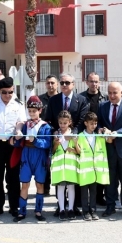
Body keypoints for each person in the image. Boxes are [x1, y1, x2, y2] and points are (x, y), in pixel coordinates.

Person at [45, 73, 89, 216]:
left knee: (71, 177)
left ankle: (73, 207)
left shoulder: (81, 100)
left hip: (74, 141)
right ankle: (61, 207)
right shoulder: (53, 100)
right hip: (59, 141)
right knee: (60, 178)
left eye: (67, 83)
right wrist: (57, 131)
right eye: (62, 82)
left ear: (73, 84)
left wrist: (73, 133)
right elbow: (49, 120)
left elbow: (83, 120)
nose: (64, 85)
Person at [0, 77, 27, 218]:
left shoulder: (18, 104)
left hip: (12, 144)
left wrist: (19, 130)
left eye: (10, 92)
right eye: (4, 92)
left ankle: (14, 207)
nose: (8, 95)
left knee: (13, 177)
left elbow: (20, 121)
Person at [98, 82, 122, 218]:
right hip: (108, 148)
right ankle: (110, 205)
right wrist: (102, 130)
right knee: (110, 179)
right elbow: (99, 124)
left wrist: (116, 133)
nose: (112, 96)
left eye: (115, 93)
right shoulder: (103, 106)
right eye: (110, 92)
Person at [12, 95, 52, 222]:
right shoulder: (25, 125)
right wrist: (15, 140)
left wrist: (35, 141)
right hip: (26, 155)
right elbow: (19, 142)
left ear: (40, 111)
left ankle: (38, 211)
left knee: (40, 184)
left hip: (39, 156)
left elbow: (47, 144)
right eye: (29, 111)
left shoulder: (46, 126)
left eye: (34, 111)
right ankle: (21, 211)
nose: (32, 113)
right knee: (24, 184)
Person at [79, 72, 108, 206]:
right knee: (84, 167)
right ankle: (82, 198)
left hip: (99, 136)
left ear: (99, 82)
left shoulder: (105, 98)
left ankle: (99, 197)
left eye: (96, 81)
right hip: (84, 136)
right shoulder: (80, 98)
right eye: (91, 81)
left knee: (98, 166)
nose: (94, 84)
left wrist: (102, 129)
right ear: (87, 82)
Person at [76, 111, 109, 221]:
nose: (93, 126)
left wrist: (106, 132)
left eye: (95, 123)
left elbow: (109, 140)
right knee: (84, 193)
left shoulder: (98, 136)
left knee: (94, 193)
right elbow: (78, 151)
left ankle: (93, 210)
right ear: (85, 123)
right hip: (84, 170)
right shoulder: (80, 136)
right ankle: (85, 212)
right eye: (91, 123)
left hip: (95, 170)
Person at [50, 110, 79, 220]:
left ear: (70, 122)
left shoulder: (73, 135)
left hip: (71, 166)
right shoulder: (55, 134)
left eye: (65, 123)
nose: (62, 125)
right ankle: (62, 209)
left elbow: (78, 151)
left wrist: (73, 145)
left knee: (71, 188)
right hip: (59, 166)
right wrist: (56, 144)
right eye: (60, 123)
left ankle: (71, 209)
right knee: (60, 188)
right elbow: (52, 151)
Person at [38, 74, 58, 196]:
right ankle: (45, 187)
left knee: (56, 162)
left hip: (57, 134)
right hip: (44, 136)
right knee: (45, 162)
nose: (50, 85)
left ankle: (58, 189)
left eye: (52, 83)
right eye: (48, 83)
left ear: (57, 84)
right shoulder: (40, 99)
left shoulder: (61, 98)